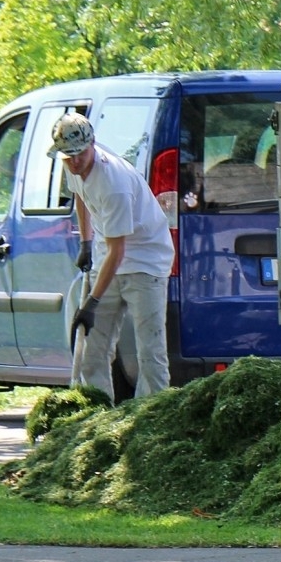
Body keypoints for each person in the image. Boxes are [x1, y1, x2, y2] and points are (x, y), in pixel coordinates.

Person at [50, 112, 175, 400]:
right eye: (67, 157)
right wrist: (85, 241)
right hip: (108, 255)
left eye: (79, 155)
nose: (74, 162)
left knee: (150, 353)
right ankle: (95, 417)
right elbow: (80, 196)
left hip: (145, 260)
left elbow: (120, 252)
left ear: (91, 145)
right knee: (92, 350)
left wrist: (92, 302)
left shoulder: (114, 184)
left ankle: (151, 421)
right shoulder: (72, 163)